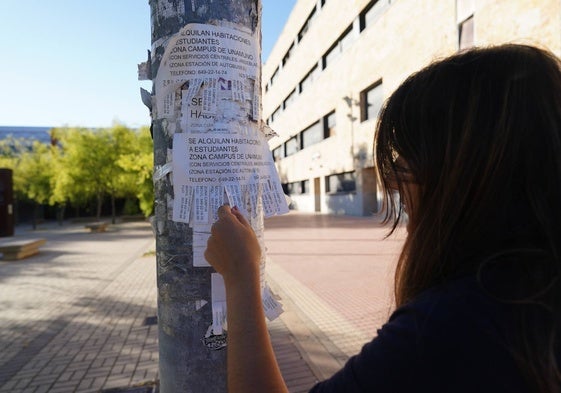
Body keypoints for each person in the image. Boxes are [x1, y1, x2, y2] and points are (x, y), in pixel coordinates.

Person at [204, 44, 561, 393]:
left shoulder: (453, 325)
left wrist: (240, 276)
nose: (392, 183)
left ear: (463, 172)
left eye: (405, 163)